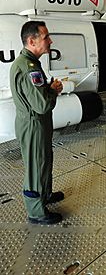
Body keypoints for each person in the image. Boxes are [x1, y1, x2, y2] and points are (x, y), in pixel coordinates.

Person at [10, 21, 64, 225]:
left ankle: (45, 195)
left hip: (38, 124)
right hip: (33, 125)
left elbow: (36, 95)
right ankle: (36, 212)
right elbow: (42, 105)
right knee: (35, 167)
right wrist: (54, 91)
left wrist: (48, 88)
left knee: (44, 161)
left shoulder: (31, 62)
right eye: (46, 37)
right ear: (32, 41)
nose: (50, 41)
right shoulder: (27, 67)